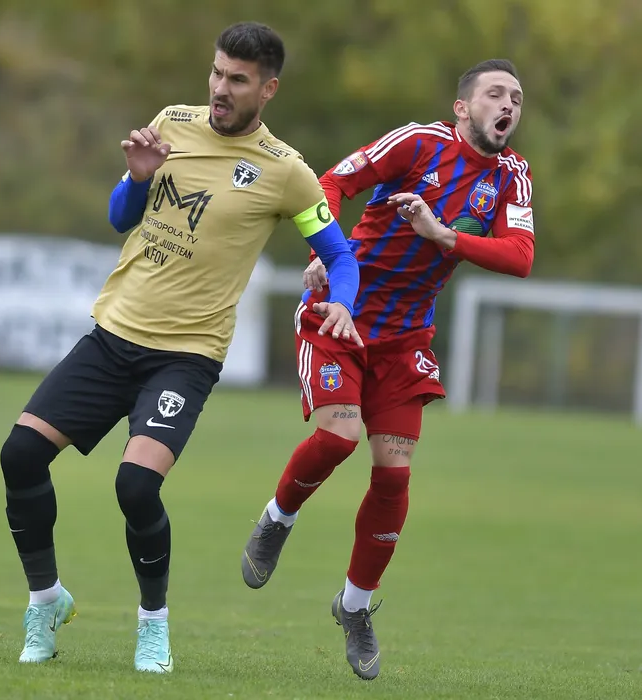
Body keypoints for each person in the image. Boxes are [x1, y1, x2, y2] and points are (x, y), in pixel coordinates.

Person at [0, 21, 363, 675]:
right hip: (112, 336)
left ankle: (152, 627)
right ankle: (46, 602)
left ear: (268, 90)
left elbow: (338, 254)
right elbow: (120, 216)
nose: (220, 88)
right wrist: (139, 179)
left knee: (136, 486)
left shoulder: (286, 172)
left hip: (185, 356)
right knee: (20, 456)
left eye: (238, 80)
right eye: (217, 73)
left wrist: (342, 302)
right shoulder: (171, 122)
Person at [240, 59, 535, 680]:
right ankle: (277, 519)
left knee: (394, 476)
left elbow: (519, 256)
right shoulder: (418, 143)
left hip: (405, 341)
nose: (508, 104)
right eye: (495, 93)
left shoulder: (512, 176)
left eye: (516, 96)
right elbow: (330, 182)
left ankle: (354, 606)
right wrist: (328, 254)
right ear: (462, 107)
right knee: (338, 438)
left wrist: (442, 235)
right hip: (340, 314)